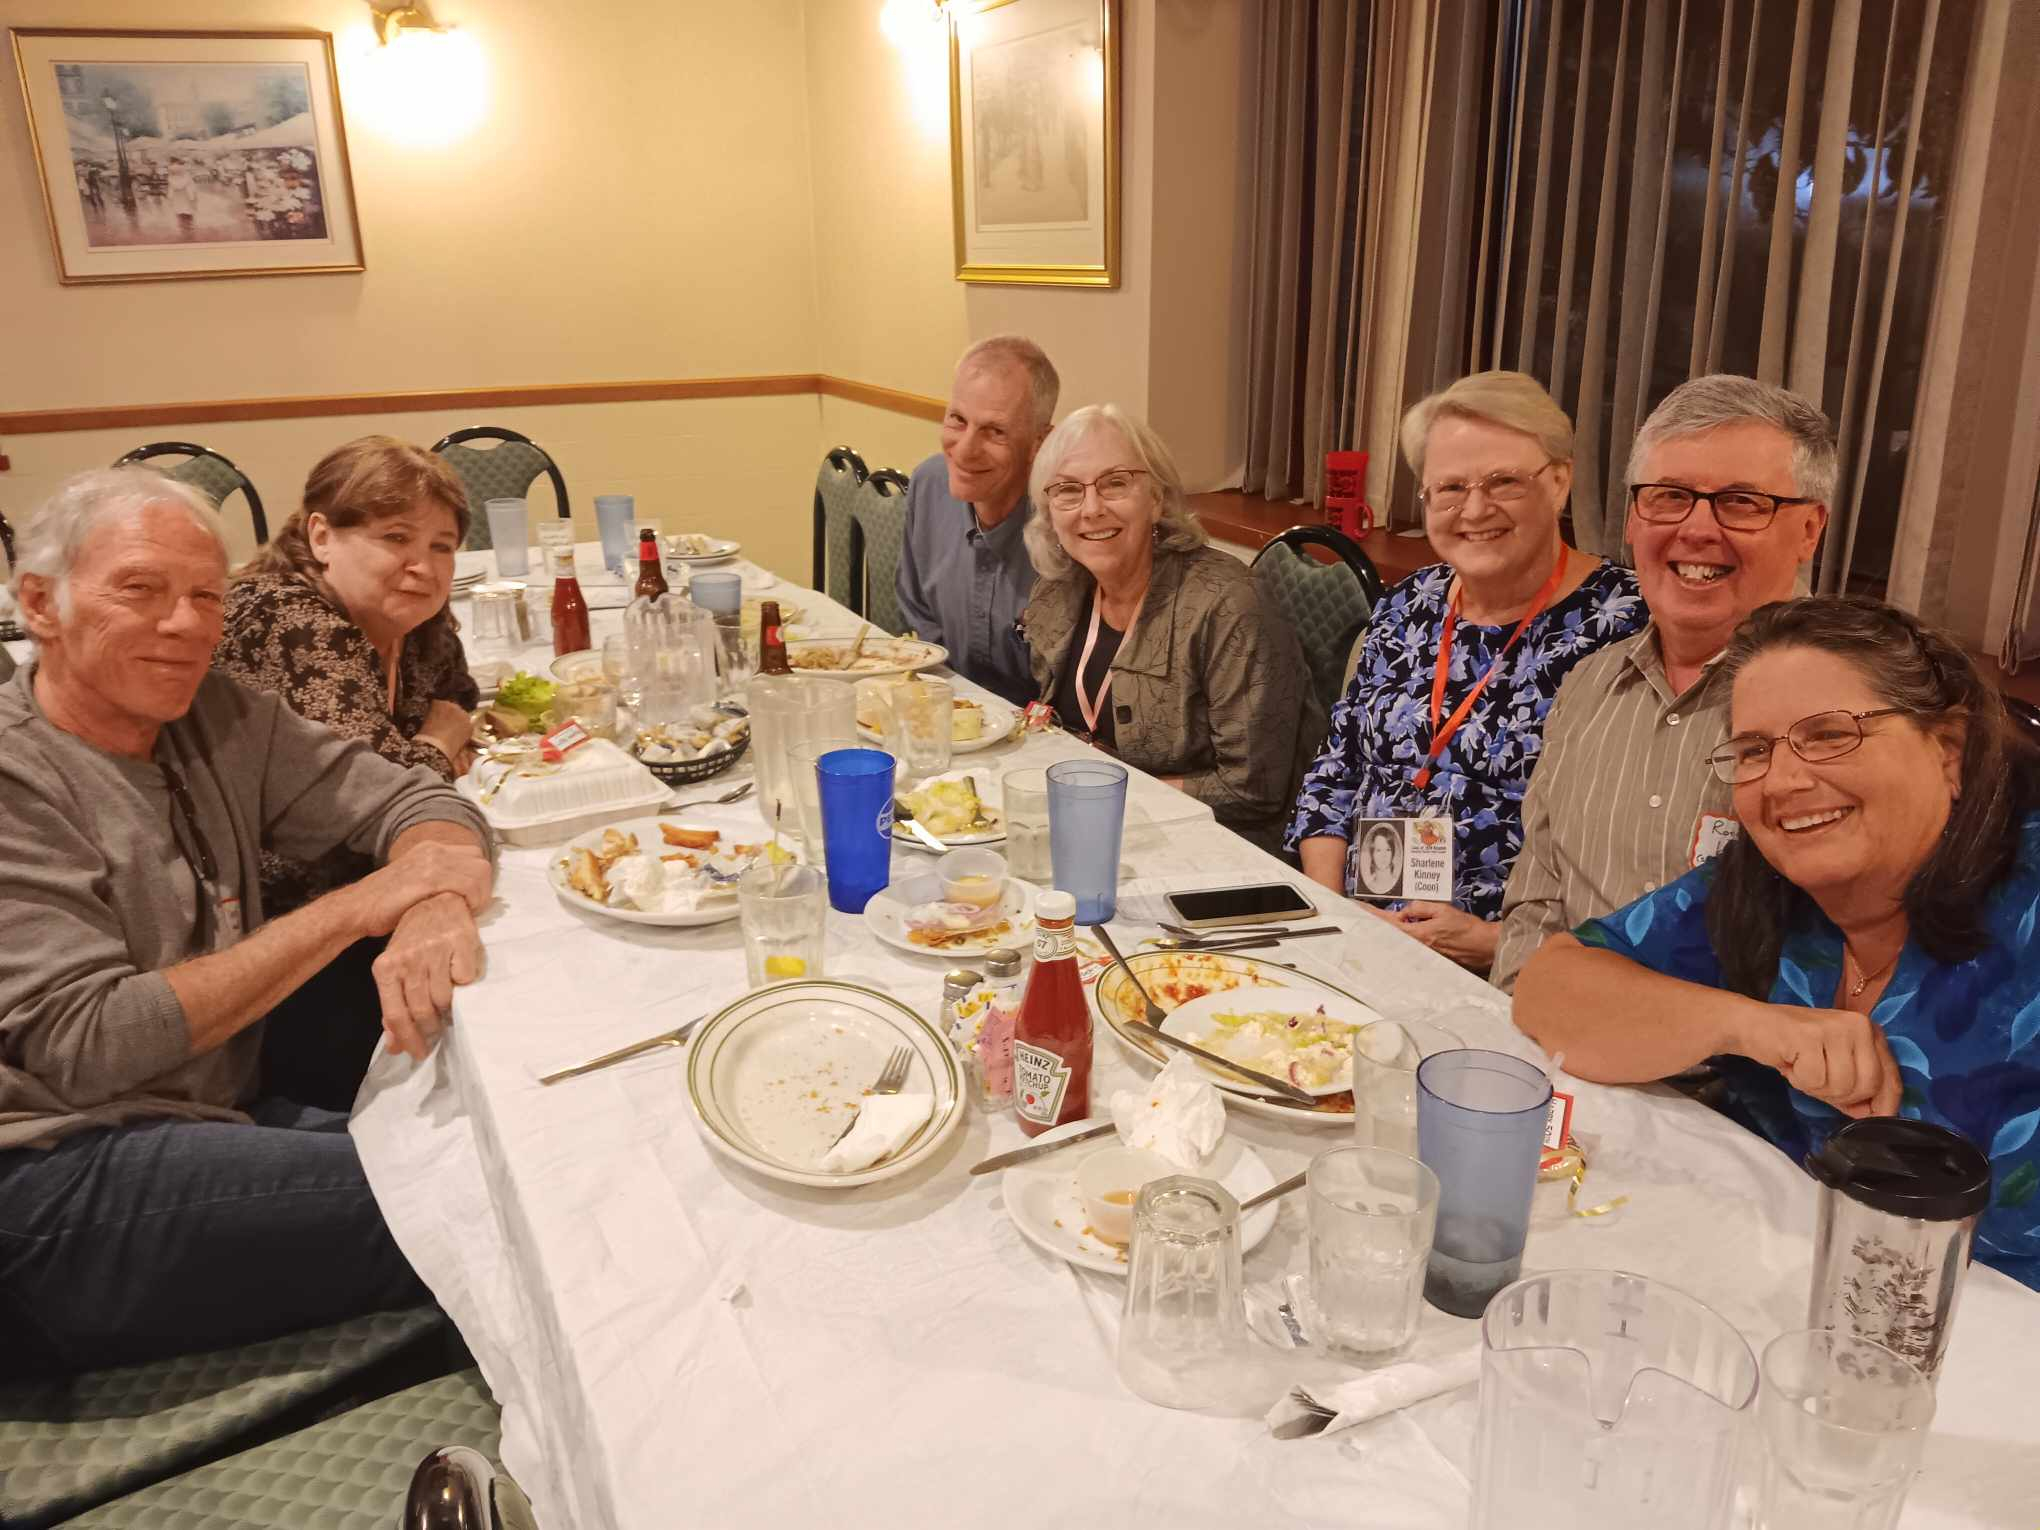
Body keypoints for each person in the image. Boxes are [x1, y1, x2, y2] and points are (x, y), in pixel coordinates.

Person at [0, 468, 496, 1372]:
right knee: (493, 1201)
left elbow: (418, 801)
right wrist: (357, 908)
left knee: (504, 1128)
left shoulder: (212, 717)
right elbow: (89, 1044)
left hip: (209, 1112)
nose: (186, 625)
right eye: (140, 590)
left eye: (205, 596)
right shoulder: (19, 778)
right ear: (41, 603)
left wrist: (427, 903)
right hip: (51, 1180)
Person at [1514, 597, 2040, 1289]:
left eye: (1830, 734)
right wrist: (1756, 1026)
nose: (1786, 780)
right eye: (1756, 750)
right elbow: (1550, 989)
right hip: (1795, 1297)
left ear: (1947, 750)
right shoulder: (1763, 891)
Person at [1288, 372, 1645, 971]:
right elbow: (1336, 768)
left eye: (1504, 481)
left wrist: (1495, 942)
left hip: (1517, 970)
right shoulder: (1408, 605)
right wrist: (1336, 906)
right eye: (1449, 489)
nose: (1475, 509)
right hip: (1362, 936)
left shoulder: (1626, 627)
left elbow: (1633, 848)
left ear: (1559, 482)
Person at [1489, 374, 1834, 990]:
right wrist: (1522, 1034)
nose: (1697, 529)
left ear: (1809, 530)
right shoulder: (1589, 685)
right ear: (1631, 519)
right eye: (1669, 496)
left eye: (1742, 502)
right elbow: (1536, 903)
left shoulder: (1856, 717)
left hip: (1740, 1080)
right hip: (1563, 1056)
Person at [212, 437, 480, 1108]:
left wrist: (436, 742)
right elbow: (366, 811)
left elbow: (459, 699)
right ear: (322, 535)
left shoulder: (406, 612)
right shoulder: (291, 621)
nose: (422, 565)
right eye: (396, 537)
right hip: (275, 939)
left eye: (441, 546)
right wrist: (439, 749)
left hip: (355, 902)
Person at [1021, 404, 1321, 844]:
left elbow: (1254, 790)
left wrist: (1106, 801)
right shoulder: (1057, 592)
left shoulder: (1226, 604)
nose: (1091, 508)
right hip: (1095, 828)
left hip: (1217, 847)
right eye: (1067, 490)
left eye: (1115, 483)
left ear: (1157, 498)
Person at [896, 335, 1060, 706]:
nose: (966, 450)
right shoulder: (928, 484)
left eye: (995, 431)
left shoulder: (1066, 519)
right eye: (957, 419)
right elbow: (918, 618)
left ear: (1039, 442)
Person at [1357, 824, 1403, 897]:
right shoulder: (1369, 885)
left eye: (1388, 850)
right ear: (1372, 853)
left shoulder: (1396, 883)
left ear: (1393, 852)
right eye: (1378, 850)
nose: (1383, 855)